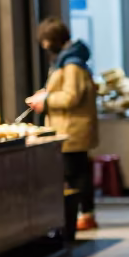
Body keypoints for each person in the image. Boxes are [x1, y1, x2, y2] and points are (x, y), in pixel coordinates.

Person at [29, 17, 100, 232]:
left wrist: (46, 101)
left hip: (73, 129)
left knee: (76, 173)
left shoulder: (71, 65)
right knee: (75, 172)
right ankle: (81, 214)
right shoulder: (66, 60)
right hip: (68, 128)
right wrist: (46, 94)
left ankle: (84, 215)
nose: (44, 47)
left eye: (45, 41)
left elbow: (71, 97)